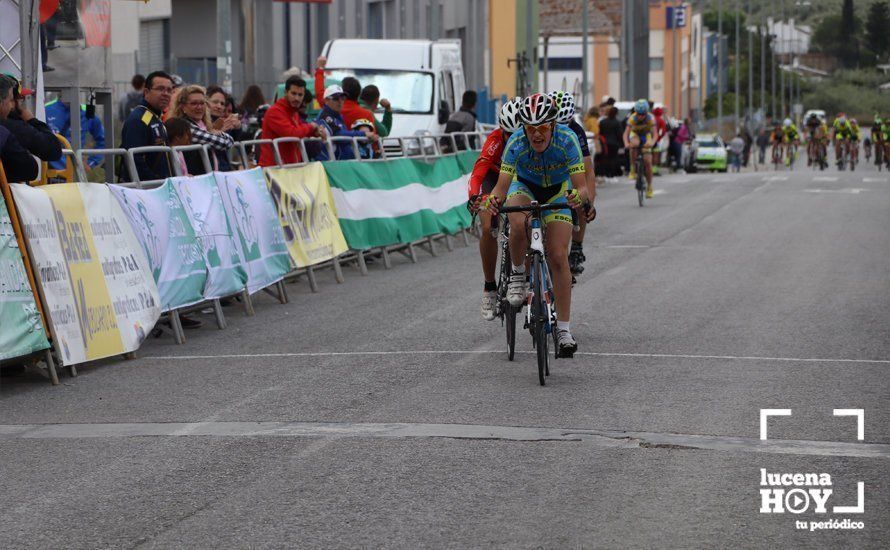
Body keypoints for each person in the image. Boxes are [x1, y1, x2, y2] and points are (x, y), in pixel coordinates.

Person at [484, 93, 594, 357]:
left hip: (558, 191)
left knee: (558, 256)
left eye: (543, 127)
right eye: (530, 128)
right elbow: (501, 188)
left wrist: (579, 198)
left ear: (553, 125)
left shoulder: (567, 140)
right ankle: (519, 274)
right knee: (517, 220)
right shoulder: (515, 144)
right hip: (525, 187)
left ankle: (564, 331)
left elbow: (583, 187)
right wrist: (491, 202)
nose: (536, 134)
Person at [467, 97, 523, 320]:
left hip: (522, 178)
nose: (512, 139)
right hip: (496, 177)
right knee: (488, 223)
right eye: (508, 134)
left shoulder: (534, 140)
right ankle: (489, 287)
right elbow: (479, 171)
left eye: (517, 134)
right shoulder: (495, 139)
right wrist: (474, 196)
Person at [548, 90, 594, 277]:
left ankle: (576, 247)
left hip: (570, 170)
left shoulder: (576, 131)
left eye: (565, 125)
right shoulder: (541, 129)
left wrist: (589, 202)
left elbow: (588, 172)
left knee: (581, 201)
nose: (561, 131)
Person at [259, 76, 326, 167]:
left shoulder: (294, 112)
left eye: (300, 95)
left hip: (288, 169)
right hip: (274, 170)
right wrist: (312, 127)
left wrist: (315, 132)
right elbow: (292, 133)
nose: (297, 98)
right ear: (286, 92)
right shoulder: (275, 112)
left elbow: (300, 130)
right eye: (293, 94)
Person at [120, 70, 174, 182]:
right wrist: (156, 182)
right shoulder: (139, 119)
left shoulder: (155, 116)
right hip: (147, 192)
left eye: (169, 90)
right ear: (146, 92)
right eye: (160, 89)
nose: (165, 93)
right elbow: (134, 160)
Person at [171, 84, 235, 175]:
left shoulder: (202, 124)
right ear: (183, 107)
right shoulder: (185, 127)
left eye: (202, 103)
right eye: (194, 103)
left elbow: (230, 141)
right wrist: (216, 133)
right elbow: (225, 143)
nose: (199, 107)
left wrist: (217, 133)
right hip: (194, 182)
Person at [0, 74, 62, 164]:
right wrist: (32, 120)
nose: (22, 105)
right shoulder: (16, 128)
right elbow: (53, 150)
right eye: (21, 99)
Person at [314, 85, 375, 161]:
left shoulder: (337, 116)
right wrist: (363, 134)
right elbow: (339, 135)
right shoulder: (325, 117)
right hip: (332, 164)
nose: (340, 101)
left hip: (343, 163)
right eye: (336, 98)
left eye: (342, 98)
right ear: (326, 100)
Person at [45, 99, 106, 171]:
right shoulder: (46, 109)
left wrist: (91, 163)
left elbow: (103, 140)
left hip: (76, 172)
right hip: (49, 172)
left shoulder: (86, 112)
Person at [0, 79, 38, 183]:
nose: (13, 106)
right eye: (11, 100)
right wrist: (33, 121)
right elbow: (30, 170)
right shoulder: (5, 132)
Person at [623, 99, 656, 198]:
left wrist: (652, 143)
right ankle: (633, 169)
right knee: (634, 145)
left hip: (646, 135)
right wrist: (626, 143)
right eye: (639, 114)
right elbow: (626, 133)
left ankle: (649, 187)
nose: (641, 116)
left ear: (647, 112)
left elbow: (655, 134)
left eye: (643, 114)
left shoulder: (651, 118)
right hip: (635, 135)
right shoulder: (632, 118)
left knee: (648, 161)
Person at [599, 106, 623, 178]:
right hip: (614, 143)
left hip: (604, 142)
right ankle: (612, 173)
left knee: (605, 158)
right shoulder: (617, 123)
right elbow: (620, 134)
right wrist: (621, 143)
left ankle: (605, 173)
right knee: (613, 158)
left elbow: (600, 132)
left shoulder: (602, 122)